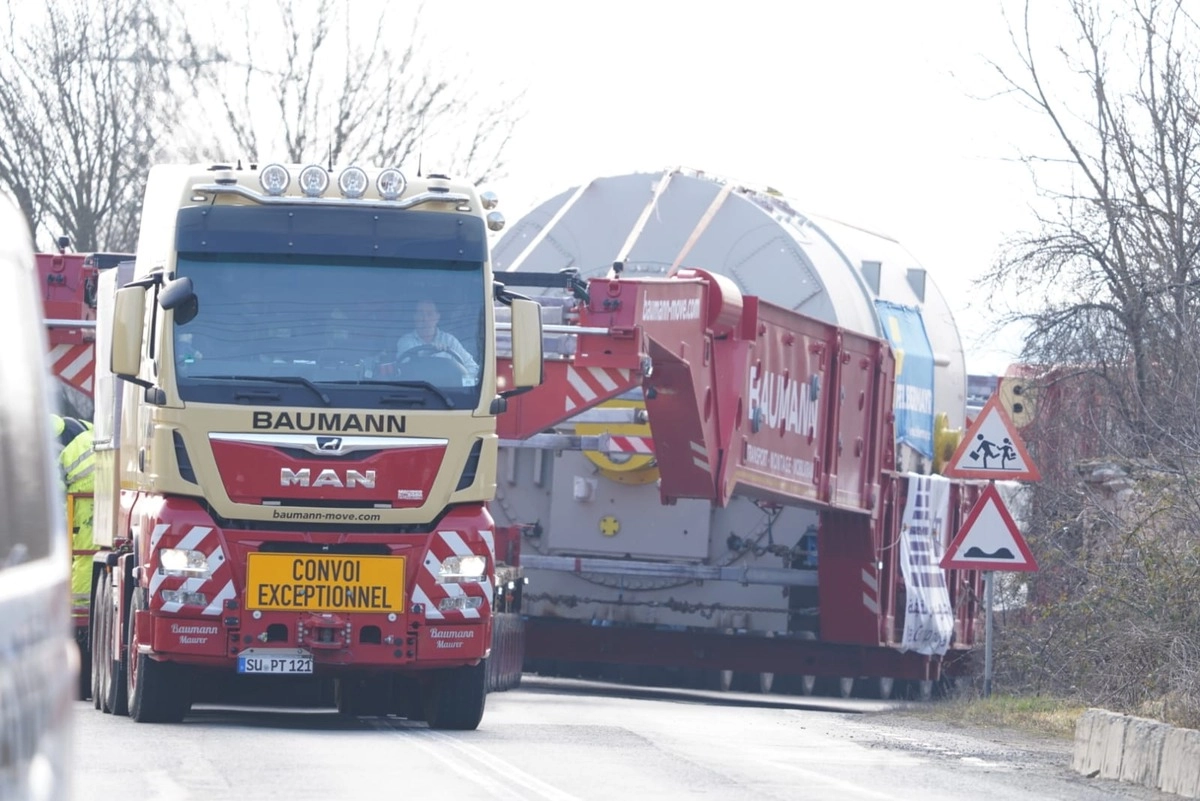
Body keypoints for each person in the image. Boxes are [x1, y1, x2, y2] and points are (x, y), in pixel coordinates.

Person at [52, 412, 95, 699]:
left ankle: (78, 612)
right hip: (106, 484)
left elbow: (49, 501)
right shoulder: (67, 425)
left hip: (84, 495)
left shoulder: (39, 443)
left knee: (82, 554)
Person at [395, 299, 479, 385]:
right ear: (414, 317)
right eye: (420, 314)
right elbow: (406, 370)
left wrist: (464, 384)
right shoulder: (406, 341)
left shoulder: (450, 341)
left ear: (437, 317)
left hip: (450, 393)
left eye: (429, 314)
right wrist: (430, 352)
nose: (425, 319)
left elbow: (472, 367)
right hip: (417, 392)